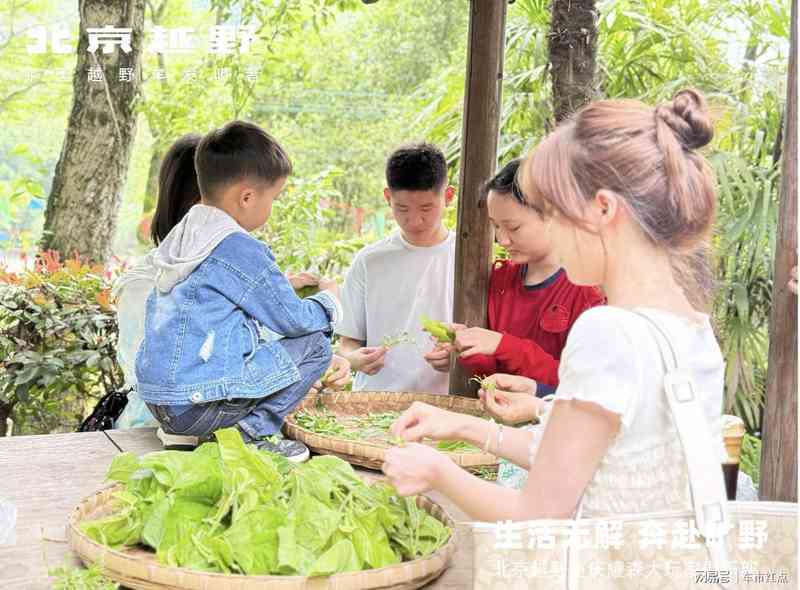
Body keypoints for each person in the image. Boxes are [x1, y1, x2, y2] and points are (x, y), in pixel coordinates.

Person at [382, 89, 728, 522]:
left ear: (602, 209)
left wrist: (436, 470)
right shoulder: (689, 323)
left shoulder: (608, 330)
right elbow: (588, 459)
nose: (552, 232)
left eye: (552, 212)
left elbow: (539, 515)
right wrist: (462, 425)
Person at [135, 121, 343, 462]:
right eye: (273, 197)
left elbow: (209, 297)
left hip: (164, 404)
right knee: (317, 345)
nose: (272, 207)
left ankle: (219, 435)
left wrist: (281, 285)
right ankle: (251, 436)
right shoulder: (237, 246)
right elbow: (293, 321)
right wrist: (330, 299)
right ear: (247, 197)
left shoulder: (187, 235)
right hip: (200, 404)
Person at [424, 159, 605, 408]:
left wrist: (502, 344)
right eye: (495, 226)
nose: (502, 239)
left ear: (553, 215)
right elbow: (494, 372)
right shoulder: (500, 280)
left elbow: (583, 386)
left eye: (513, 227)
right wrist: (466, 348)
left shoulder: (589, 290)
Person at [336, 143, 456, 393]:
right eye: (402, 208)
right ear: (387, 197)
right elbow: (347, 343)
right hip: (374, 407)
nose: (414, 220)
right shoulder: (369, 261)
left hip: (445, 408)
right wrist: (354, 359)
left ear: (448, 196)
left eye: (426, 208)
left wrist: (458, 357)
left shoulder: (465, 259)